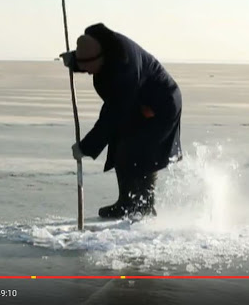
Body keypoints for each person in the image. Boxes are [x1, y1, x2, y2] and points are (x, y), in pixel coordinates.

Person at [65, 23, 182, 219]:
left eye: (88, 69)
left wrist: (86, 147)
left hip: (162, 105)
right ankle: (127, 202)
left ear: (99, 58)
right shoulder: (104, 47)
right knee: (121, 147)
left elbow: (112, 116)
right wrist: (74, 61)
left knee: (141, 152)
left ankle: (143, 205)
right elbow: (91, 62)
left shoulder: (124, 67)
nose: (88, 73)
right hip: (138, 106)